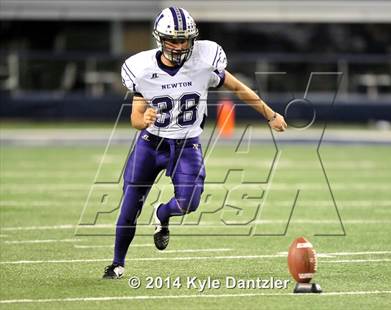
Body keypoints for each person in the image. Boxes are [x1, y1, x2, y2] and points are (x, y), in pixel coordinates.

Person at [103, 7, 287, 279]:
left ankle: (163, 214)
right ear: (160, 39)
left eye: (184, 39)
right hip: (150, 144)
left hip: (187, 145)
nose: (179, 45)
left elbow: (237, 87)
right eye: (173, 40)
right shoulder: (141, 68)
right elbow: (134, 118)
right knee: (130, 205)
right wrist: (145, 119)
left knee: (190, 202)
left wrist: (269, 114)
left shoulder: (204, 59)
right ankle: (117, 263)